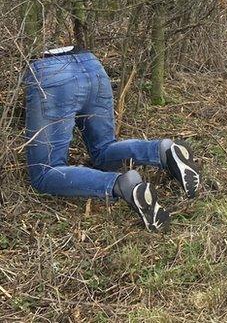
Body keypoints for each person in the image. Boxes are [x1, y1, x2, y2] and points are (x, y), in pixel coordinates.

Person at [22, 46, 202, 232]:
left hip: (51, 74)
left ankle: (123, 185)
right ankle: (164, 150)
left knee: (45, 172)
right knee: (104, 149)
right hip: (91, 65)